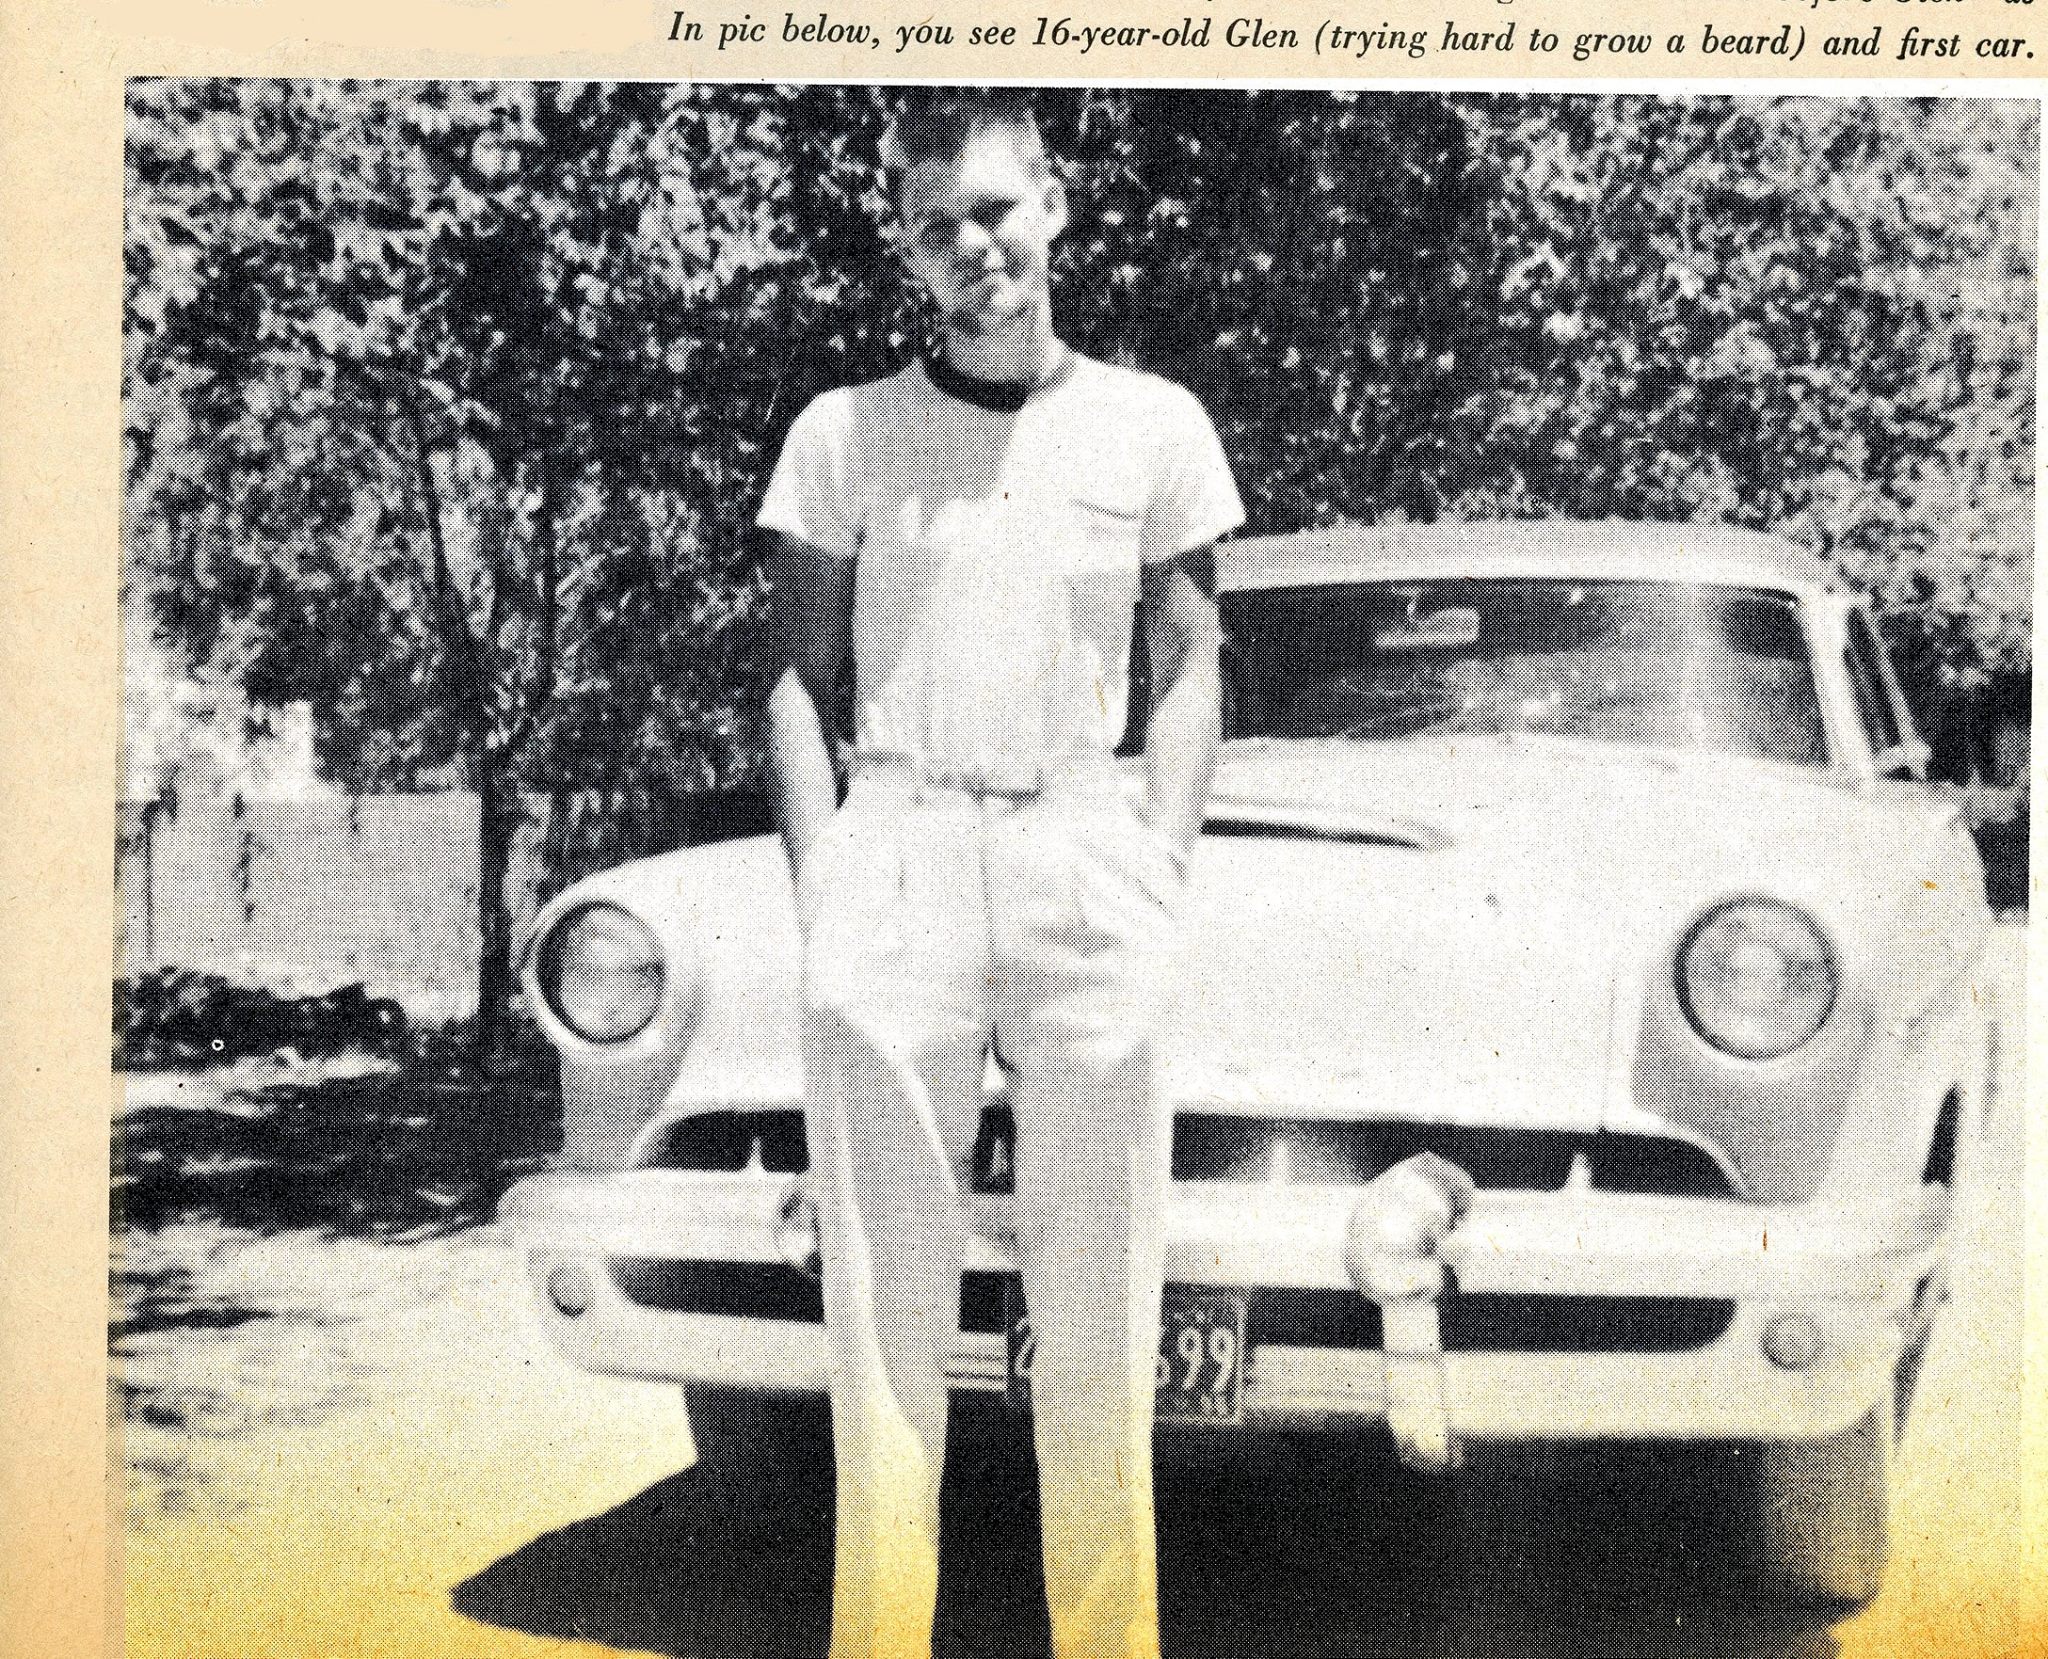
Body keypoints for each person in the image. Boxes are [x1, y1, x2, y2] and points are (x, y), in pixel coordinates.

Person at [758, 88, 1243, 1659]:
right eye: (933, 225)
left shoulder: (1154, 424)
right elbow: (794, 681)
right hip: (897, 849)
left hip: (1081, 849)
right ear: (903, 248)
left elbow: (1188, 662)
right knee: (887, 1324)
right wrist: (828, 889)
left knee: (1099, 1317)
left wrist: (1156, 865)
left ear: (1054, 205)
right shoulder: (844, 436)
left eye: (994, 209)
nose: (972, 247)